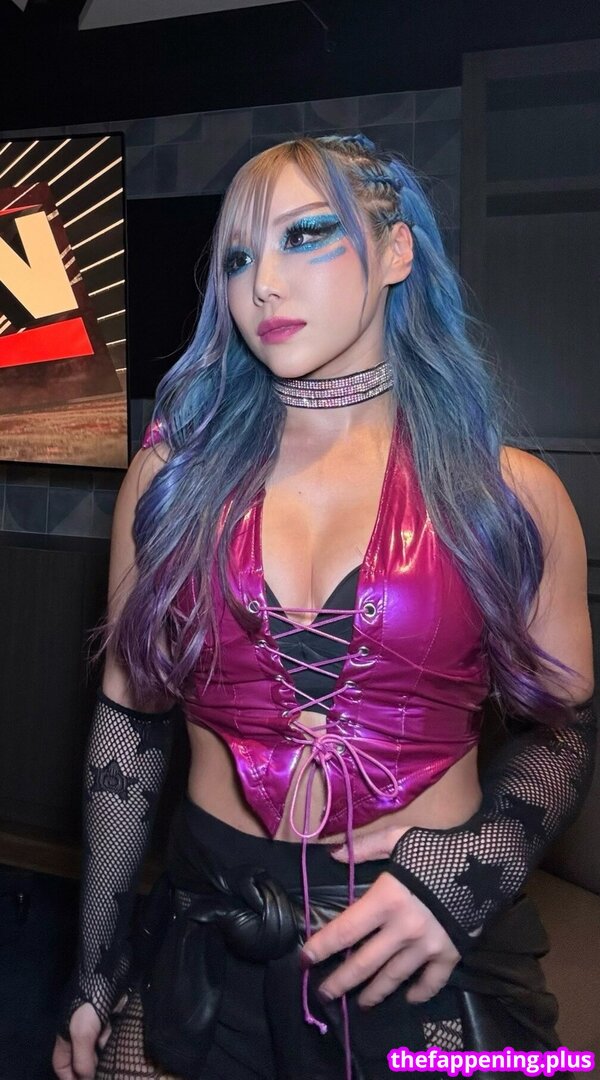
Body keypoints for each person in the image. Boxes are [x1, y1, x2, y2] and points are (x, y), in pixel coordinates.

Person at [52, 133, 595, 1080]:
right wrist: (94, 967)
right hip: (210, 920)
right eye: (238, 257)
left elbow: (566, 727)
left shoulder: (508, 494)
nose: (264, 283)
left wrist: (469, 871)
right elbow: (128, 732)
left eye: (306, 235)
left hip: (417, 935)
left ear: (396, 251)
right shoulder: (170, 481)